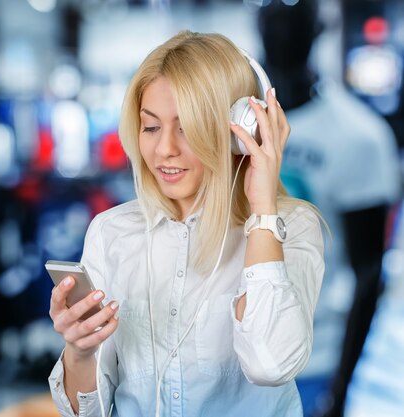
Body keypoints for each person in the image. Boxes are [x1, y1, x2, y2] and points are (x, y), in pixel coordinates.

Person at [47, 31, 325, 417]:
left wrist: (262, 208)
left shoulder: (290, 226)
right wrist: (79, 352)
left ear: (241, 132)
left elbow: (271, 365)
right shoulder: (111, 232)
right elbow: (85, 412)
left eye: (187, 127)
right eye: (151, 126)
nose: (164, 150)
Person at [257, 2, 400, 416]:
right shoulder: (225, 124)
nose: (281, 35)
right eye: (273, 21)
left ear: (317, 28)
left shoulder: (359, 138)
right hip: (222, 361)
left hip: (311, 360)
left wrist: (340, 387)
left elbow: (369, 271)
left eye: (293, 21)